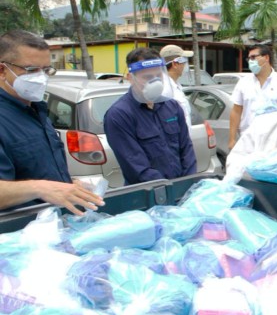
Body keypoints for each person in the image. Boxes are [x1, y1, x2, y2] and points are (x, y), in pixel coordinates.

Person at [0, 30, 104, 214]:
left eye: (46, 70)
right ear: (2, 70)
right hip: (17, 234)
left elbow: (39, 171)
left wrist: (69, 185)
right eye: (32, 70)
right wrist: (42, 188)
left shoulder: (37, 111)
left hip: (55, 227)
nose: (41, 77)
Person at [104, 47, 197, 185]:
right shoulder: (119, 115)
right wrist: (169, 189)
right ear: (131, 78)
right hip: (147, 195)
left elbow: (187, 149)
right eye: (147, 77)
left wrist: (187, 183)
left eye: (158, 76)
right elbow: (137, 167)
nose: (155, 82)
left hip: (181, 190)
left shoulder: (172, 106)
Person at [228, 45, 277, 150]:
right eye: (248, 58)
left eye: (253, 57)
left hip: (276, 142)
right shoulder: (243, 82)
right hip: (248, 141)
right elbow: (236, 111)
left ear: (266, 58)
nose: (250, 61)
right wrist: (232, 140)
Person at [160, 44, 194, 131]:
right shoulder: (164, 89)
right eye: (184, 61)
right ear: (175, 64)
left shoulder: (177, 85)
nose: (186, 64)